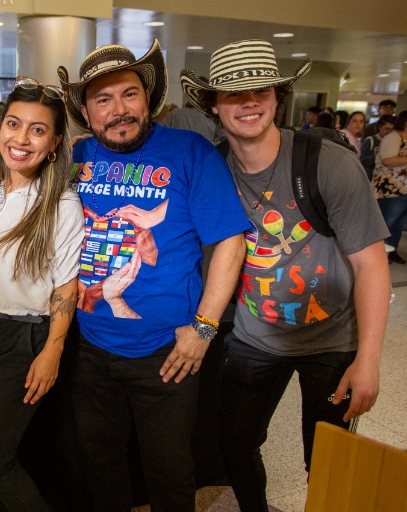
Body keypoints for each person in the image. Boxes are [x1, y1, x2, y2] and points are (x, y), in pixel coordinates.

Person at [181, 39, 391, 512]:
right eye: (233, 94)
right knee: (235, 446)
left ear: (278, 97)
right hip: (254, 338)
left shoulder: (328, 163)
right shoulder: (213, 170)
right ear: (213, 105)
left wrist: (369, 359)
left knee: (327, 458)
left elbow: (371, 264)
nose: (249, 102)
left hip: (333, 340)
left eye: (261, 90)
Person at [57, 41, 250, 512]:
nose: (119, 110)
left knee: (168, 471)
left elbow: (230, 241)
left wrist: (205, 328)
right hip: (87, 347)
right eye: (103, 100)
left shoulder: (190, 152)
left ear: (148, 98)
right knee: (100, 464)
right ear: (86, 111)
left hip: (167, 352)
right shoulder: (74, 158)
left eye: (129, 94)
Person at [0, 78, 83, 512]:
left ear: (55, 142)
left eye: (37, 130)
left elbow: (66, 285)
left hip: (21, 340)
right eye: (13, 124)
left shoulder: (61, 204)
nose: (21, 139)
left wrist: (53, 350)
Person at [372, 110, 407, 264]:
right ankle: (378, 253)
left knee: (398, 222)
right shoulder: (393, 137)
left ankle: (392, 250)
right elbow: (387, 160)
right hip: (390, 189)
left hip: (403, 188)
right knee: (388, 221)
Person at [160, 101, 225, 144]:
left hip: (176, 154)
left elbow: (160, 133)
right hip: (203, 155)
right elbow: (223, 139)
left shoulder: (172, 115)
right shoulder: (212, 118)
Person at [360, 114, 395, 180]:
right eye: (387, 129)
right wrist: (378, 157)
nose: (389, 132)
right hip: (370, 177)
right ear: (379, 127)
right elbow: (362, 160)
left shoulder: (393, 143)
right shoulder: (370, 140)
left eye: (392, 129)